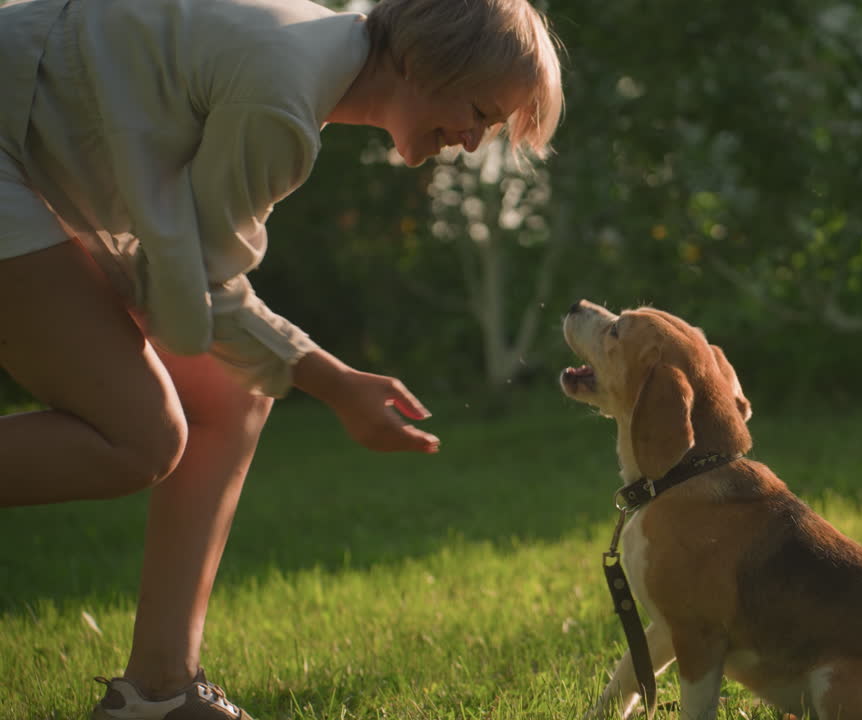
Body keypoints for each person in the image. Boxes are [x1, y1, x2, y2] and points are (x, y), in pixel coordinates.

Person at [0, 0, 563, 716]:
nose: (475, 142)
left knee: (234, 391)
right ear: (427, 61)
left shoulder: (308, 56)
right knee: (141, 437)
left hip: (28, 154)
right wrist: (337, 384)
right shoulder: (284, 96)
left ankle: (160, 693)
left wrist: (317, 373)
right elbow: (193, 287)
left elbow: (181, 272)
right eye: (480, 111)